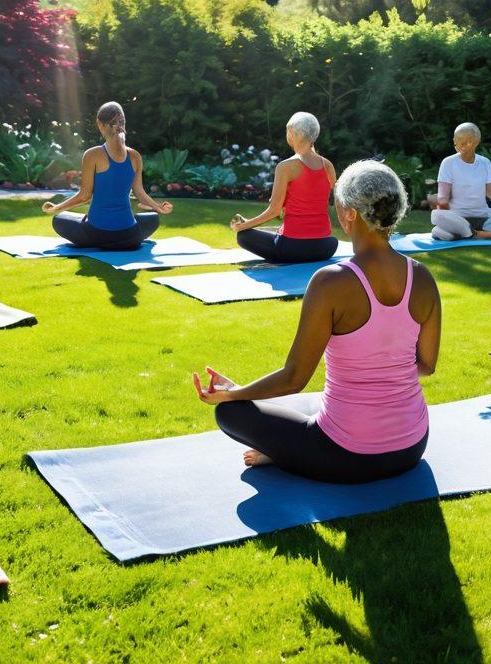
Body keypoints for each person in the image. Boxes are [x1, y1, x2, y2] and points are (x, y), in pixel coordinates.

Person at [193, 160, 441, 484]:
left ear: (350, 213)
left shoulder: (330, 282)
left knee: (230, 412)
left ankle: (284, 453)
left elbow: (294, 378)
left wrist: (235, 393)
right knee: (313, 402)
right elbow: (426, 365)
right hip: (411, 445)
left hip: (345, 455)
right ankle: (287, 448)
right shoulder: (421, 277)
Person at [41, 101, 173, 251]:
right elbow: (140, 193)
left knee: (59, 219)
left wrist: (56, 207)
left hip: (95, 233)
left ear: (99, 124)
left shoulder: (92, 155)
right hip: (128, 237)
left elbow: (85, 196)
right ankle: (118, 238)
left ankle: (98, 241)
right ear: (124, 123)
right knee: (153, 219)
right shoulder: (135, 156)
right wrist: (159, 208)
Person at [229, 112, 339, 263]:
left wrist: (242, 226)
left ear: (294, 134)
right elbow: (340, 200)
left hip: (292, 248)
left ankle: (247, 230)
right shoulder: (328, 165)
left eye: (288, 131)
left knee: (243, 236)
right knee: (277, 231)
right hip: (326, 246)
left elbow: (274, 211)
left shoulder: (286, 167)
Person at [430, 122, 491, 241]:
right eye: (457, 139)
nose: (458, 143)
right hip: (458, 218)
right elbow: (442, 200)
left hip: (483, 218)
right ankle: (477, 234)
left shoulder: (484, 162)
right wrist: (443, 208)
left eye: (464, 140)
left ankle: (465, 233)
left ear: (476, 141)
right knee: (437, 215)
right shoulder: (448, 163)